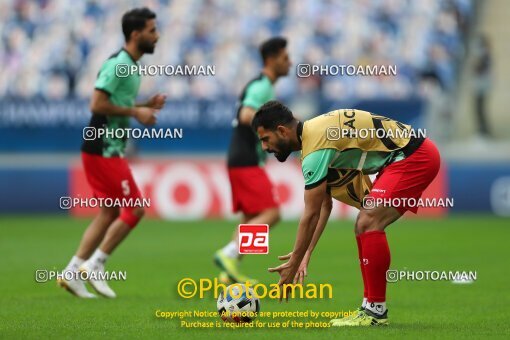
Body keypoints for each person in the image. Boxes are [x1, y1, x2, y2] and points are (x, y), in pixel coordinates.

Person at [252, 101, 440, 326]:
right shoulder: (317, 133)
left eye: (265, 139)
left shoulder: (315, 149)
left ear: (282, 131)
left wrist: (293, 264)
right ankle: (370, 308)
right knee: (363, 224)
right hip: (409, 155)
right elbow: (324, 206)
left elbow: (310, 214)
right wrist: (306, 253)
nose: (264, 147)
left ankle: (375, 312)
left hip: (414, 157)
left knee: (368, 222)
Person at [58, 7, 166, 298]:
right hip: (103, 147)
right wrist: (136, 111)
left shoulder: (131, 65)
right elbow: (97, 104)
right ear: (135, 34)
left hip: (106, 148)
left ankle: (71, 273)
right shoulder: (118, 63)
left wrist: (145, 104)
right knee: (136, 208)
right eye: (152, 30)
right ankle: (96, 264)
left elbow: (117, 103)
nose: (157, 36)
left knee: (110, 212)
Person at [214, 38, 291, 284]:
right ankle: (228, 253)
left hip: (240, 158)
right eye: (285, 58)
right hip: (246, 159)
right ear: (271, 60)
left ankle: (229, 273)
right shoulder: (261, 87)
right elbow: (246, 114)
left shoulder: (263, 86)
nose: (289, 62)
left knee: (251, 219)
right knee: (273, 213)